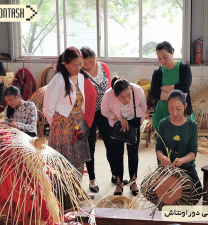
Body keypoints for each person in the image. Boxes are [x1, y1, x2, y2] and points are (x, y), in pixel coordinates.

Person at [43, 47, 91, 176]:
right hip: (62, 124)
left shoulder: (80, 77)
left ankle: (78, 192)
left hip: (79, 121)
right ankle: (64, 194)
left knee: (80, 156)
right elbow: (48, 108)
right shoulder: (58, 80)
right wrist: (56, 124)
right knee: (64, 161)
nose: (79, 68)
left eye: (81, 64)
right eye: (75, 65)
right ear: (65, 64)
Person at [80, 46, 118, 193]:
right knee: (89, 148)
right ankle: (92, 180)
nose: (88, 66)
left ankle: (116, 175)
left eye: (91, 61)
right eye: (85, 63)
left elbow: (109, 90)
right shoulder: (79, 73)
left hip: (104, 112)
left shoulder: (104, 67)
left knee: (111, 144)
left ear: (96, 58)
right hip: (85, 115)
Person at [101, 77, 147, 196]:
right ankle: (119, 182)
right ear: (115, 95)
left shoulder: (137, 90)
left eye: (129, 95)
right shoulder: (108, 95)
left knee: (133, 153)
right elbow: (104, 111)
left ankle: (133, 181)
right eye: (123, 97)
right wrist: (120, 119)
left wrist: (138, 123)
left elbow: (143, 106)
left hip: (133, 121)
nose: (127, 99)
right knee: (117, 153)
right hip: (116, 122)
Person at [155, 90, 202, 204]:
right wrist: (162, 158)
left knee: (197, 192)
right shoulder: (163, 123)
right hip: (167, 168)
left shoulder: (192, 126)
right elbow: (159, 149)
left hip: (186, 167)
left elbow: (192, 153)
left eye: (178, 109)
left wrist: (181, 160)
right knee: (153, 192)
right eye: (171, 109)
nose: (174, 112)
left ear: (185, 106)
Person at [150, 41, 194, 129]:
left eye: (165, 57)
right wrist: (178, 96)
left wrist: (163, 88)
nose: (162, 61)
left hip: (182, 112)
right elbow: (154, 93)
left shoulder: (183, 68)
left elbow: (184, 87)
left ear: (172, 53)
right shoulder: (158, 72)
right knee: (163, 140)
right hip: (162, 112)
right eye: (159, 58)